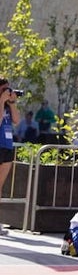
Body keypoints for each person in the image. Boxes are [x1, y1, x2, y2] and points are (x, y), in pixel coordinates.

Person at [0, 79, 17, 232]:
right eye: (4, 89)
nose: (8, 91)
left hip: (7, 146)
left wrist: (11, 103)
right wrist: (1, 101)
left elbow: (16, 120)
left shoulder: (7, 105)